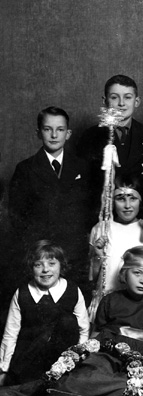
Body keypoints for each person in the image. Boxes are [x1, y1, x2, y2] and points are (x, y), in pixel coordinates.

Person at [0, 246, 143, 396]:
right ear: (124, 273)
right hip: (108, 351)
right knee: (80, 379)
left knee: (122, 385)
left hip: (140, 356)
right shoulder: (110, 300)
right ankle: (23, 394)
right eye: (137, 273)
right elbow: (95, 336)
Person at [9, 107, 93, 294]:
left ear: (68, 133)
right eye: (48, 129)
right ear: (38, 133)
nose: (54, 135)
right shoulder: (25, 168)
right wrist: (35, 247)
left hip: (75, 250)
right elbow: (17, 215)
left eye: (60, 129)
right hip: (42, 251)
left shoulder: (82, 166)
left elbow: (89, 208)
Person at [0, 241, 90, 386]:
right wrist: (4, 369)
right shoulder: (22, 293)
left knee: (68, 321)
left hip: (62, 358)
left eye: (51, 263)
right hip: (29, 356)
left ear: (61, 265)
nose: (45, 270)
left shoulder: (72, 290)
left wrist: (78, 359)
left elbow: (83, 329)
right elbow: (11, 333)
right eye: (38, 265)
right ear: (31, 268)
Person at [76, 75, 143, 210]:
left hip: (139, 216)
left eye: (127, 97)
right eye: (114, 97)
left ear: (137, 101)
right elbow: (83, 184)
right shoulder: (90, 136)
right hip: (101, 213)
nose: (121, 103)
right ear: (105, 101)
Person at [88, 174, 143, 313]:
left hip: (137, 305)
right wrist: (97, 256)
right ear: (112, 201)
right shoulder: (101, 228)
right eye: (121, 199)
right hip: (107, 302)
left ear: (140, 201)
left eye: (132, 198)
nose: (127, 206)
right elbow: (92, 277)